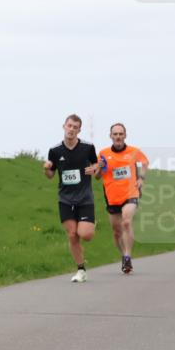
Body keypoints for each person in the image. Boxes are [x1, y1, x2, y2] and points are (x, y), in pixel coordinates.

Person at [44, 114, 101, 282]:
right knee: (72, 235)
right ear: (64, 126)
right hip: (65, 199)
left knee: (86, 235)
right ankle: (81, 270)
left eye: (75, 127)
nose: (71, 129)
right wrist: (46, 168)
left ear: (79, 130)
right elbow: (50, 174)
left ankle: (90, 224)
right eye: (69, 126)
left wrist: (95, 169)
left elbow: (97, 166)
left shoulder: (88, 147)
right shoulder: (55, 151)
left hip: (84, 198)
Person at [98, 123, 149, 273]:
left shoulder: (134, 151)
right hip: (112, 196)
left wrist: (141, 178)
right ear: (110, 136)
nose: (118, 137)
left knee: (126, 221)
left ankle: (128, 256)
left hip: (130, 193)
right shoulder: (103, 153)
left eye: (121, 134)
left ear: (125, 135)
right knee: (116, 231)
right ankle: (123, 256)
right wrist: (99, 167)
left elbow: (145, 163)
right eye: (115, 134)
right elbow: (96, 176)